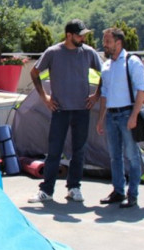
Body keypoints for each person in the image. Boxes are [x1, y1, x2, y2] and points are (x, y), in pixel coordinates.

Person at [27, 19, 103, 204]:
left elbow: (105, 73)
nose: (83, 38)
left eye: (84, 34)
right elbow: (34, 72)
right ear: (69, 35)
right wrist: (44, 97)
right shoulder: (53, 52)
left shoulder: (89, 53)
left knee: (79, 150)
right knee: (54, 150)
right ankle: (47, 190)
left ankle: (74, 187)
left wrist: (96, 96)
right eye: (79, 35)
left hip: (82, 109)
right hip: (60, 110)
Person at [96, 28, 144, 208]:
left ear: (119, 43)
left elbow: (141, 90)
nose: (105, 45)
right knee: (114, 156)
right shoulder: (107, 65)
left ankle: (132, 194)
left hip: (127, 113)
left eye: (108, 41)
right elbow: (104, 94)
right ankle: (118, 191)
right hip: (111, 115)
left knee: (132, 156)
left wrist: (133, 116)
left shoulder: (132, 62)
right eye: (104, 41)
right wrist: (101, 118)